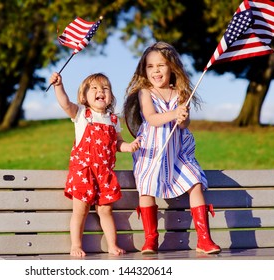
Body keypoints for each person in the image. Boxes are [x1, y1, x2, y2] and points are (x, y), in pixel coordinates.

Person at [124, 41, 221, 255]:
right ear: (144, 70)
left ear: (172, 67)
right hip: (152, 152)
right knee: (147, 188)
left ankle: (204, 239)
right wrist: (173, 114)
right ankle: (151, 239)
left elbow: (184, 124)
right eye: (150, 66)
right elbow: (152, 118)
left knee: (194, 182)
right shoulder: (145, 92)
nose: (156, 71)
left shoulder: (180, 93)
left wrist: (183, 117)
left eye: (161, 65)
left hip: (177, 152)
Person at [49, 72, 141, 257]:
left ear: (111, 97)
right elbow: (65, 103)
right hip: (83, 171)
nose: (101, 91)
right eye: (95, 88)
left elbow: (117, 144)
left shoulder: (113, 119)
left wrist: (129, 146)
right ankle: (76, 245)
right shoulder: (82, 114)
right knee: (80, 210)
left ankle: (112, 245)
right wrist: (58, 86)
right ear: (84, 97)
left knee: (106, 210)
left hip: (104, 174)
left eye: (105, 88)